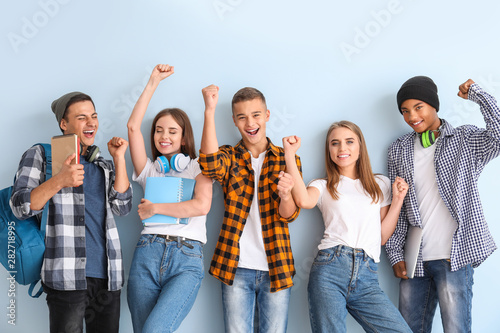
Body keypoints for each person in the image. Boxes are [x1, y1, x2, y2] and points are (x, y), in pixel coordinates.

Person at [10, 92, 133, 333]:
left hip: (108, 278)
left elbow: (123, 207)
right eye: (82, 117)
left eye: (94, 116)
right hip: (65, 277)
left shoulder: (103, 164)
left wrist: (119, 159)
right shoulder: (40, 155)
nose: (91, 123)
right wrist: (59, 180)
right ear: (63, 124)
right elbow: (19, 206)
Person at [385, 76, 500, 332]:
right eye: (404, 110)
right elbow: (398, 205)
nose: (411, 116)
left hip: (455, 257)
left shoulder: (465, 139)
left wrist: (479, 95)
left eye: (418, 107)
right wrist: (394, 254)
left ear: (434, 105)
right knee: (407, 329)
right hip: (415, 260)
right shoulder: (398, 149)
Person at [282, 121, 412, 333]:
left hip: (368, 274)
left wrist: (398, 200)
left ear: (360, 146)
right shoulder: (322, 185)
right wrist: (289, 155)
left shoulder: (380, 184)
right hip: (330, 268)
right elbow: (304, 201)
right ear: (329, 150)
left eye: (349, 142)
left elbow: (382, 237)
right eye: (335, 143)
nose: (342, 148)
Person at [198, 84, 301, 333]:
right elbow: (210, 166)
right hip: (236, 266)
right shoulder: (230, 155)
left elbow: (290, 215)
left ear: (266, 115)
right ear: (234, 121)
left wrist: (286, 194)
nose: (250, 123)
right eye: (242, 117)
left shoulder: (286, 157)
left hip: (276, 266)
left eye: (255, 115)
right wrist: (209, 110)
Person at [126, 64, 213, 333]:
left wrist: (154, 208)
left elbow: (201, 205)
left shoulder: (199, 168)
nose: (164, 136)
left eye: (172, 131)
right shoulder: (149, 170)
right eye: (159, 130)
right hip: (146, 254)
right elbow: (132, 127)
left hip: (186, 257)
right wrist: (152, 82)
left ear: (183, 136)